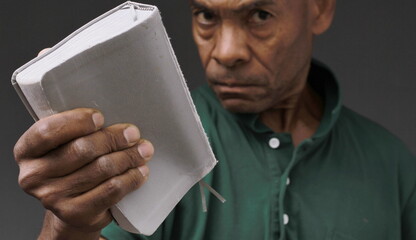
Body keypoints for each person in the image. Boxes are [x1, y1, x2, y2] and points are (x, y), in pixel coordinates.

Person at [13, 0, 416, 239]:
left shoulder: (392, 164)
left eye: (259, 15)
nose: (225, 51)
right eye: (206, 15)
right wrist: (67, 229)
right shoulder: (142, 146)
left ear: (320, 8)